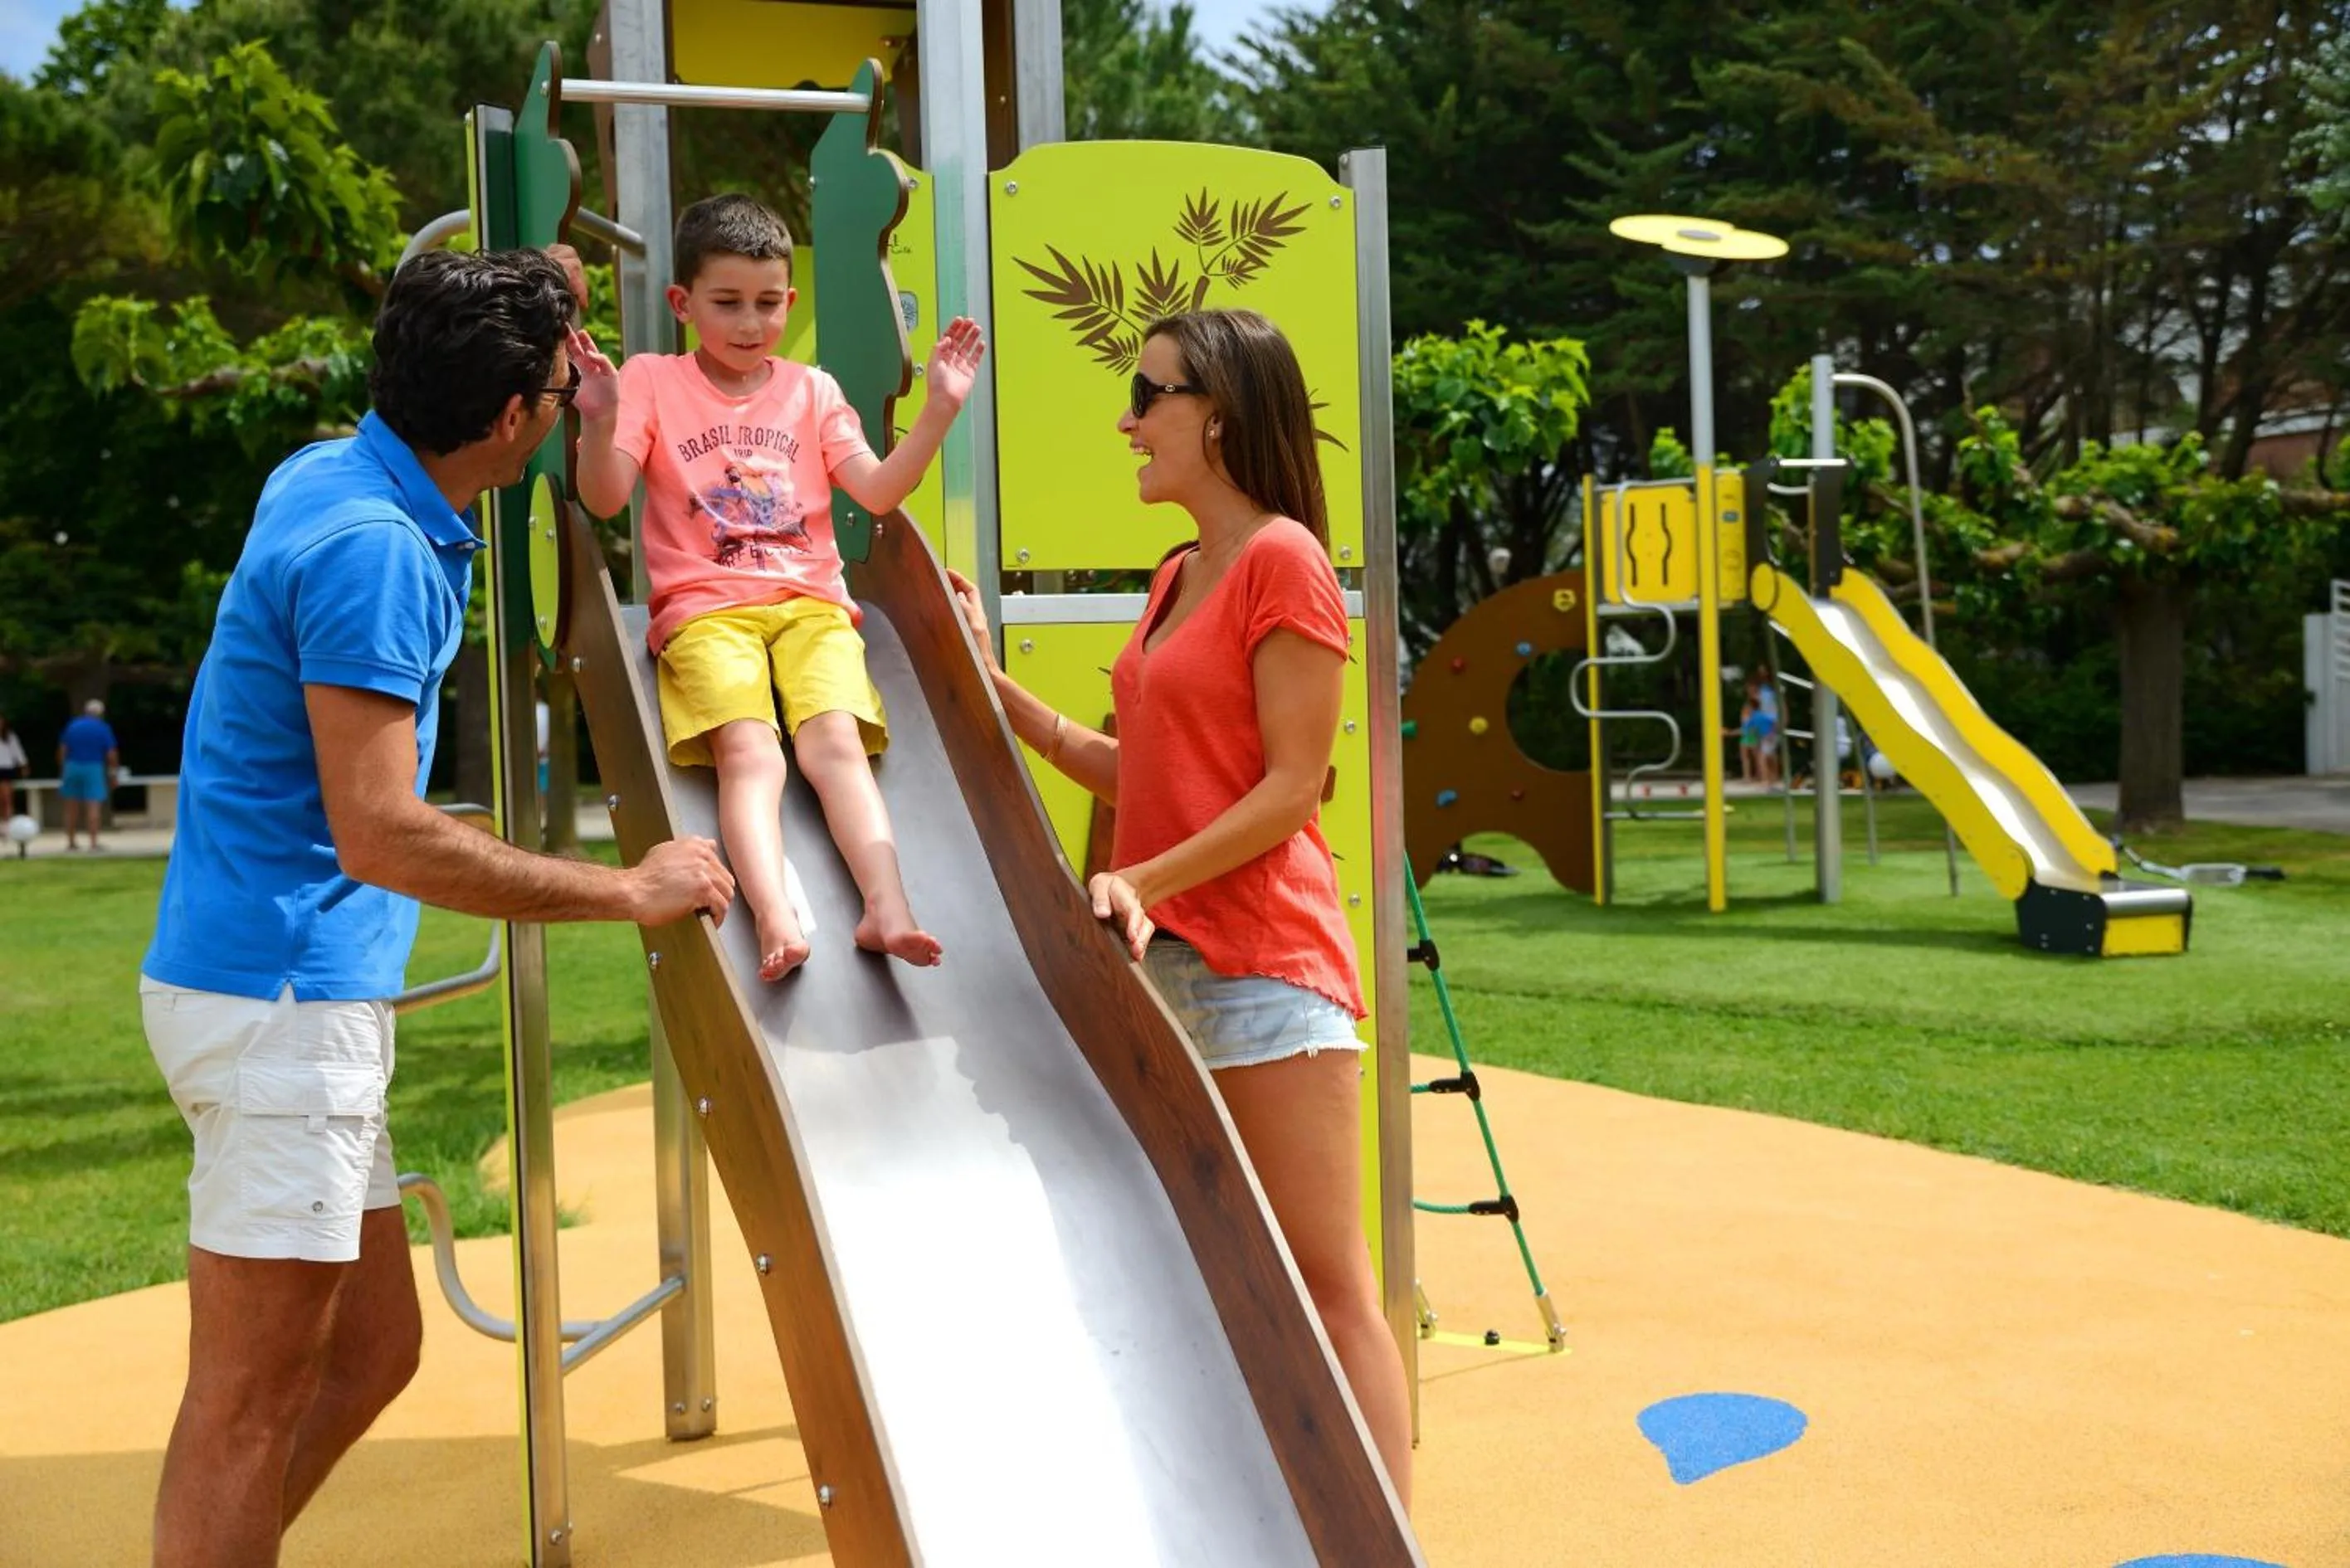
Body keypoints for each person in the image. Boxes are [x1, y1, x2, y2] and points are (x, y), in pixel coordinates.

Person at [139, 247, 735, 1568]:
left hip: (271, 991)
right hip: (279, 1007)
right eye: (564, 375)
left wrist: (539, 283)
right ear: (514, 421)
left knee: (374, 1350)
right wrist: (626, 890)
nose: (585, 384)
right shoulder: (377, 552)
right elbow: (383, 831)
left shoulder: (331, 469)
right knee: (244, 1403)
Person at [946, 307, 1413, 1507]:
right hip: (1169, 970)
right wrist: (980, 672)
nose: (1128, 419)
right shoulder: (1175, 576)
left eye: (1149, 395)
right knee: (1199, 1277)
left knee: (1322, 1279)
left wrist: (1141, 881)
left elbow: (1293, 789)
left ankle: (1386, 1537)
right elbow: (1142, 767)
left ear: (1219, 412)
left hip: (1265, 967)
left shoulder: (1284, 560)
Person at [571, 193, 986, 981]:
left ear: (789, 303)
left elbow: (877, 490)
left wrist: (937, 412)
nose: (749, 322)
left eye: (767, 304)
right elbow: (603, 497)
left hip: (811, 607)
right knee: (750, 751)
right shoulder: (652, 380)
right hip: (706, 612)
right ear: (682, 303)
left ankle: (885, 904)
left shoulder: (812, 390)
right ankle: (774, 914)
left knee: (834, 744)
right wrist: (598, 420)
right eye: (727, 304)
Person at [58, 697, 119, 850]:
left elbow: (63, 749)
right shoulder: (103, 728)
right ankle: (93, 842)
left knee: (71, 807)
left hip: (72, 766)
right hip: (93, 767)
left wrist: (64, 769)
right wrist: (113, 773)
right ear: (100, 713)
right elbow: (111, 754)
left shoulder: (73, 726)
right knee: (93, 806)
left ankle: (71, 842)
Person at [0, 710, 26, 821]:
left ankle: (8, 821)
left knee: (7, 797)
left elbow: (18, 752)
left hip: (7, 768)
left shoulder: (10, 736)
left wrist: (23, 765)